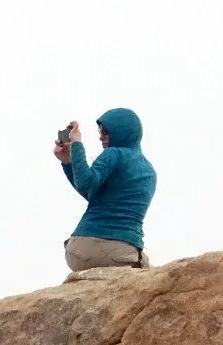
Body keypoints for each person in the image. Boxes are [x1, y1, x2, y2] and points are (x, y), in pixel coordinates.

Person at [53, 108, 158, 272]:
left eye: (106, 132)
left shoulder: (113, 154)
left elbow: (86, 184)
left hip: (82, 247)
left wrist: (76, 145)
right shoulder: (149, 171)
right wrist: (68, 161)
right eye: (100, 131)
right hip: (114, 248)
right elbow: (92, 192)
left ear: (121, 131)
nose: (101, 136)